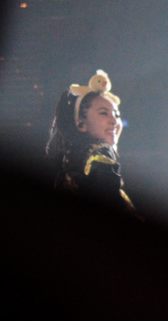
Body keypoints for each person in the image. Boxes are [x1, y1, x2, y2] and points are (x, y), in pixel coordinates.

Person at [46, 69, 139, 217]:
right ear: (81, 124)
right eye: (103, 113)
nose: (114, 121)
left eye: (117, 115)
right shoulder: (100, 155)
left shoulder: (74, 160)